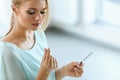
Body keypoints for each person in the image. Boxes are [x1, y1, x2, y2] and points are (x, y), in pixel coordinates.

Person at [0, 0, 83, 80]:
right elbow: (44, 75)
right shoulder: (8, 52)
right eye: (31, 12)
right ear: (15, 9)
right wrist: (44, 73)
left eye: (42, 12)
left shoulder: (38, 34)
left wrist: (63, 71)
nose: (38, 18)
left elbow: (49, 77)